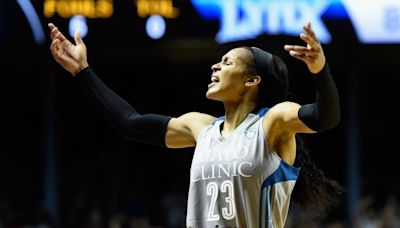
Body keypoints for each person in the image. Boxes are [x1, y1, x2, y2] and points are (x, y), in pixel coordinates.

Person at [48, 21, 344, 228]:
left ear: (252, 81)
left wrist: (321, 71)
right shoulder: (200, 127)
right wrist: (82, 71)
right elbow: (129, 123)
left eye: (227, 63)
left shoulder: (273, 122)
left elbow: (325, 118)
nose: (215, 66)